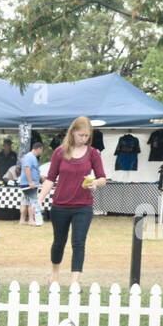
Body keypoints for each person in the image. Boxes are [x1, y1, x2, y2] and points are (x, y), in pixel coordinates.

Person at [39, 115, 106, 286]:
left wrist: (96, 183)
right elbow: (50, 178)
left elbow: (102, 178)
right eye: (81, 135)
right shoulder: (59, 152)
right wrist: (39, 198)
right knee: (59, 242)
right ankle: (54, 275)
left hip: (83, 206)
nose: (84, 139)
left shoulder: (93, 153)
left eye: (87, 135)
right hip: (60, 205)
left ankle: (75, 281)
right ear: (73, 132)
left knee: (78, 242)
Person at [19, 139, 44, 226]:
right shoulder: (30, 156)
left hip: (26, 183)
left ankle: (22, 220)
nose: (41, 152)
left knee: (25, 201)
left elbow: (32, 169)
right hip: (29, 184)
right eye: (42, 150)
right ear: (39, 148)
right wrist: (31, 182)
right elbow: (27, 168)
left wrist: (40, 177)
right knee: (33, 202)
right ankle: (31, 220)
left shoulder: (29, 157)